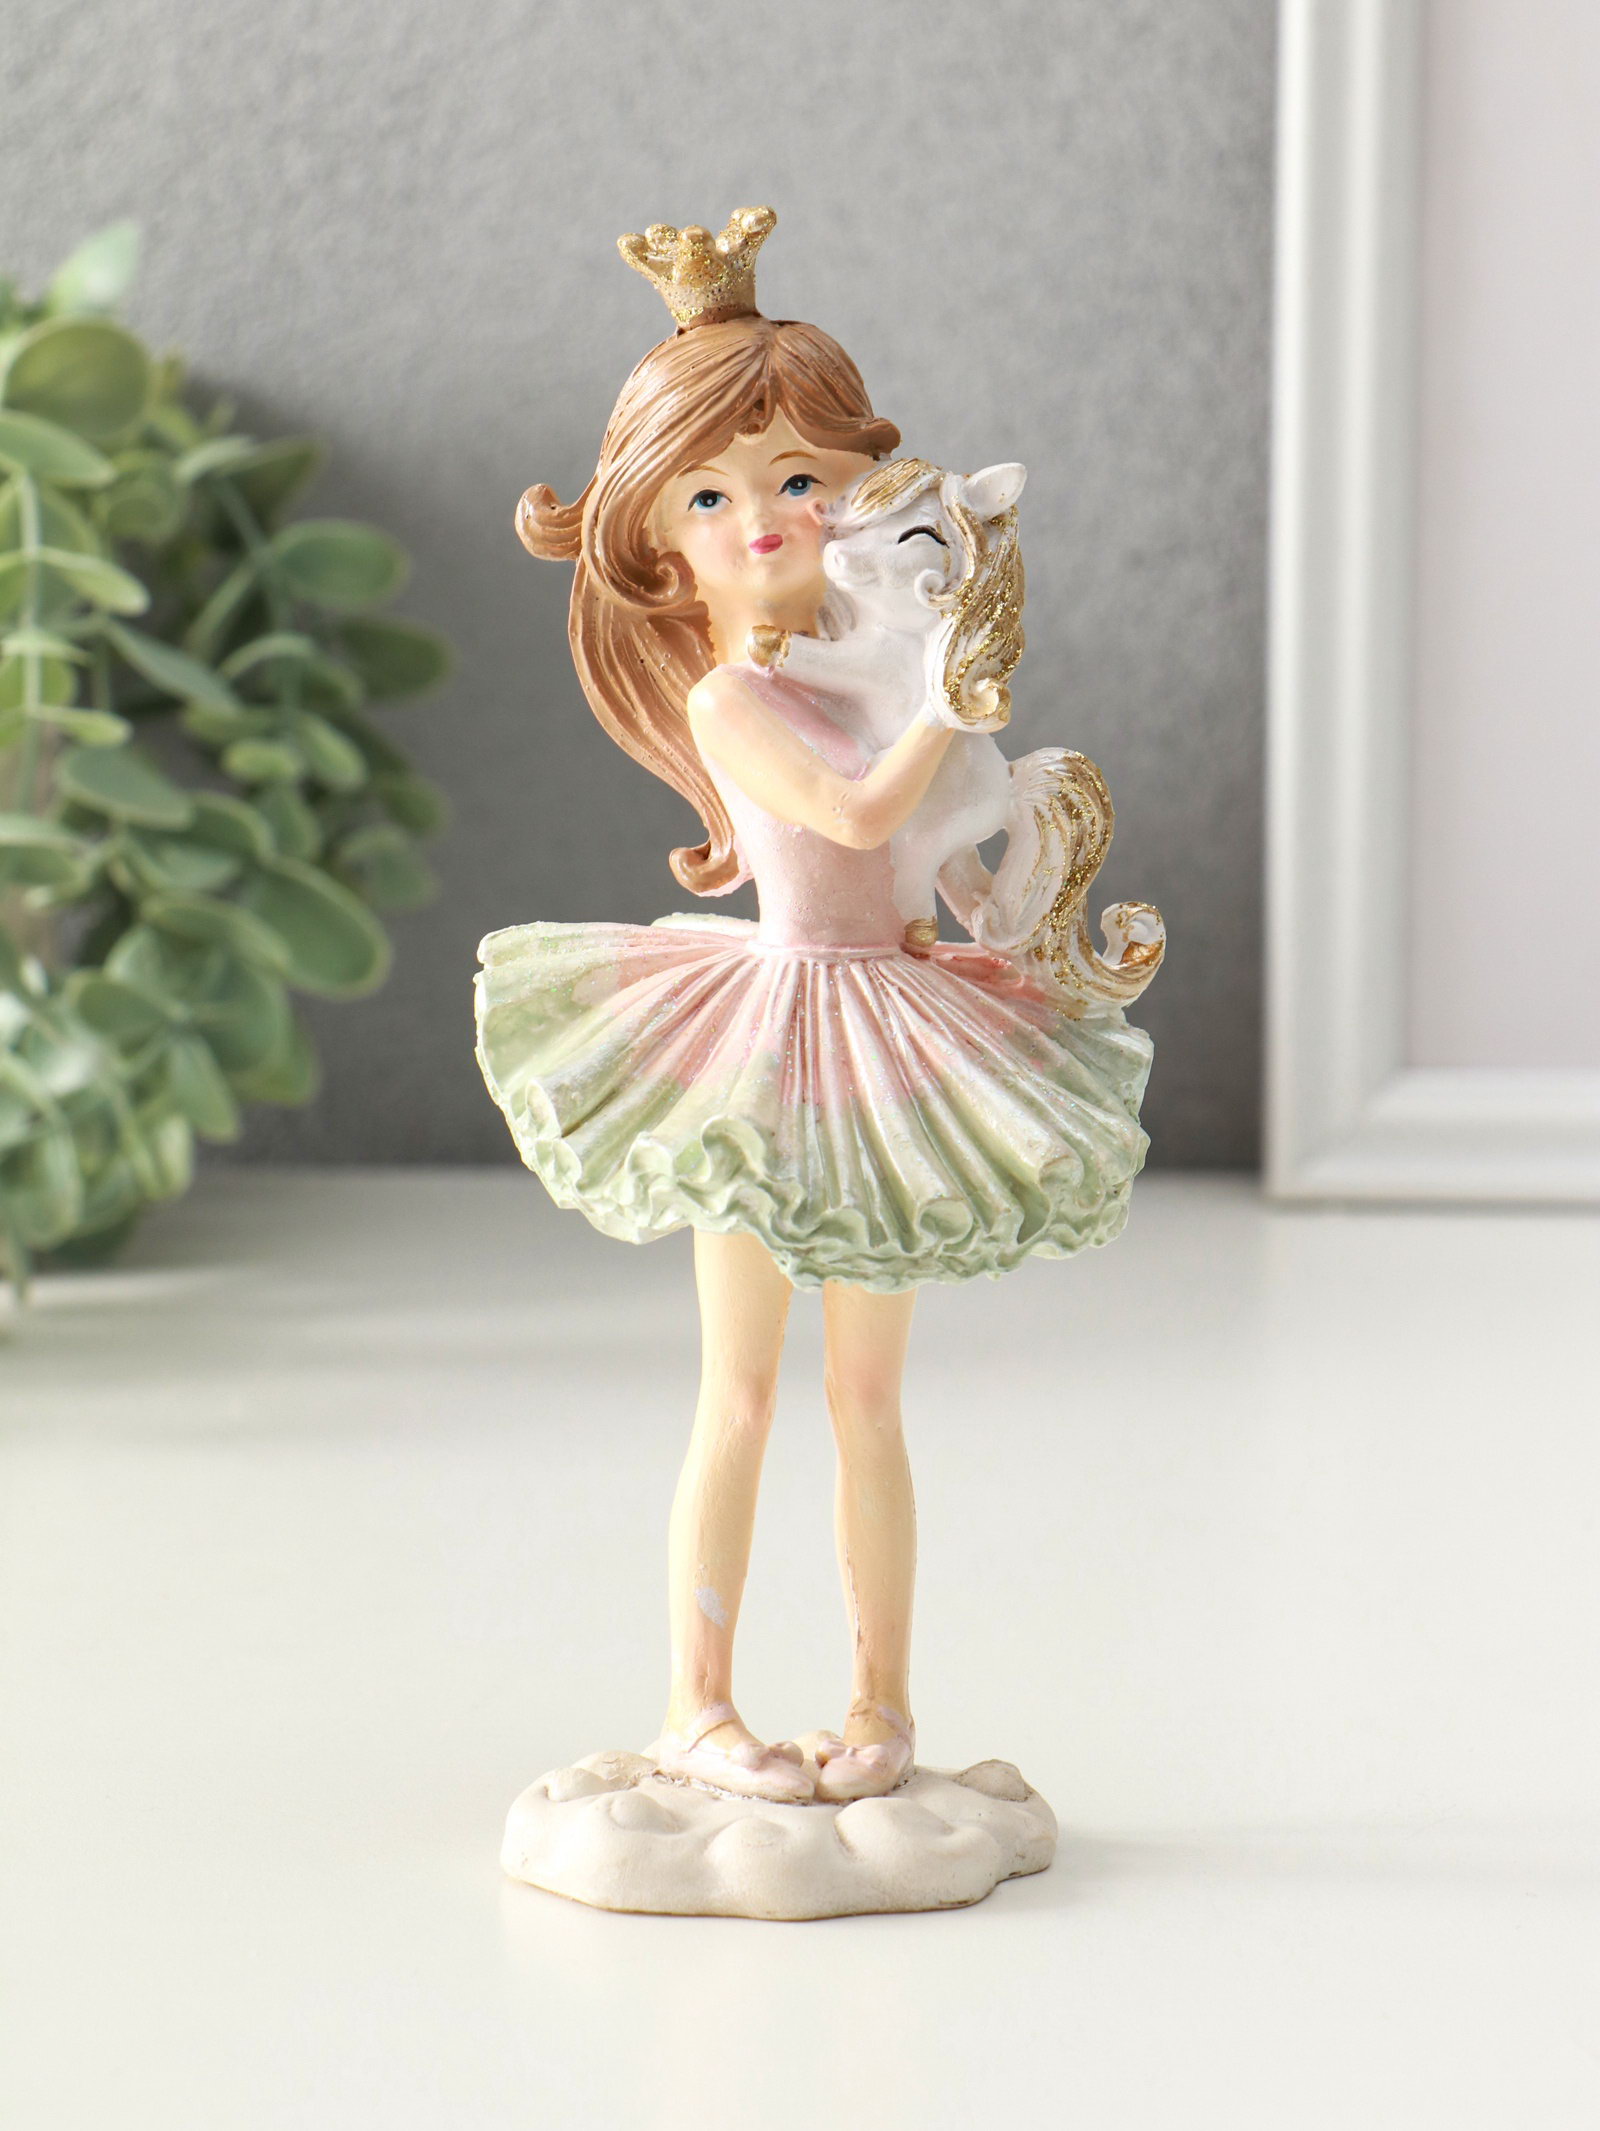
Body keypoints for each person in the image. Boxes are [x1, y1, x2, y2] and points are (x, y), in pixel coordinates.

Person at [475, 208, 1152, 1808]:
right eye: (712, 497)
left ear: (853, 489)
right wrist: (949, 698)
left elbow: (931, 848)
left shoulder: (864, 670)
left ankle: (879, 1705)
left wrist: (985, 850)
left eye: (795, 480)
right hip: (774, 1041)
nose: (764, 517)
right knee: (742, 1389)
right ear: (662, 545)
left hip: (891, 1029)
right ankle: (696, 1706)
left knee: (869, 1398)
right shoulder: (733, 695)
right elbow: (850, 815)